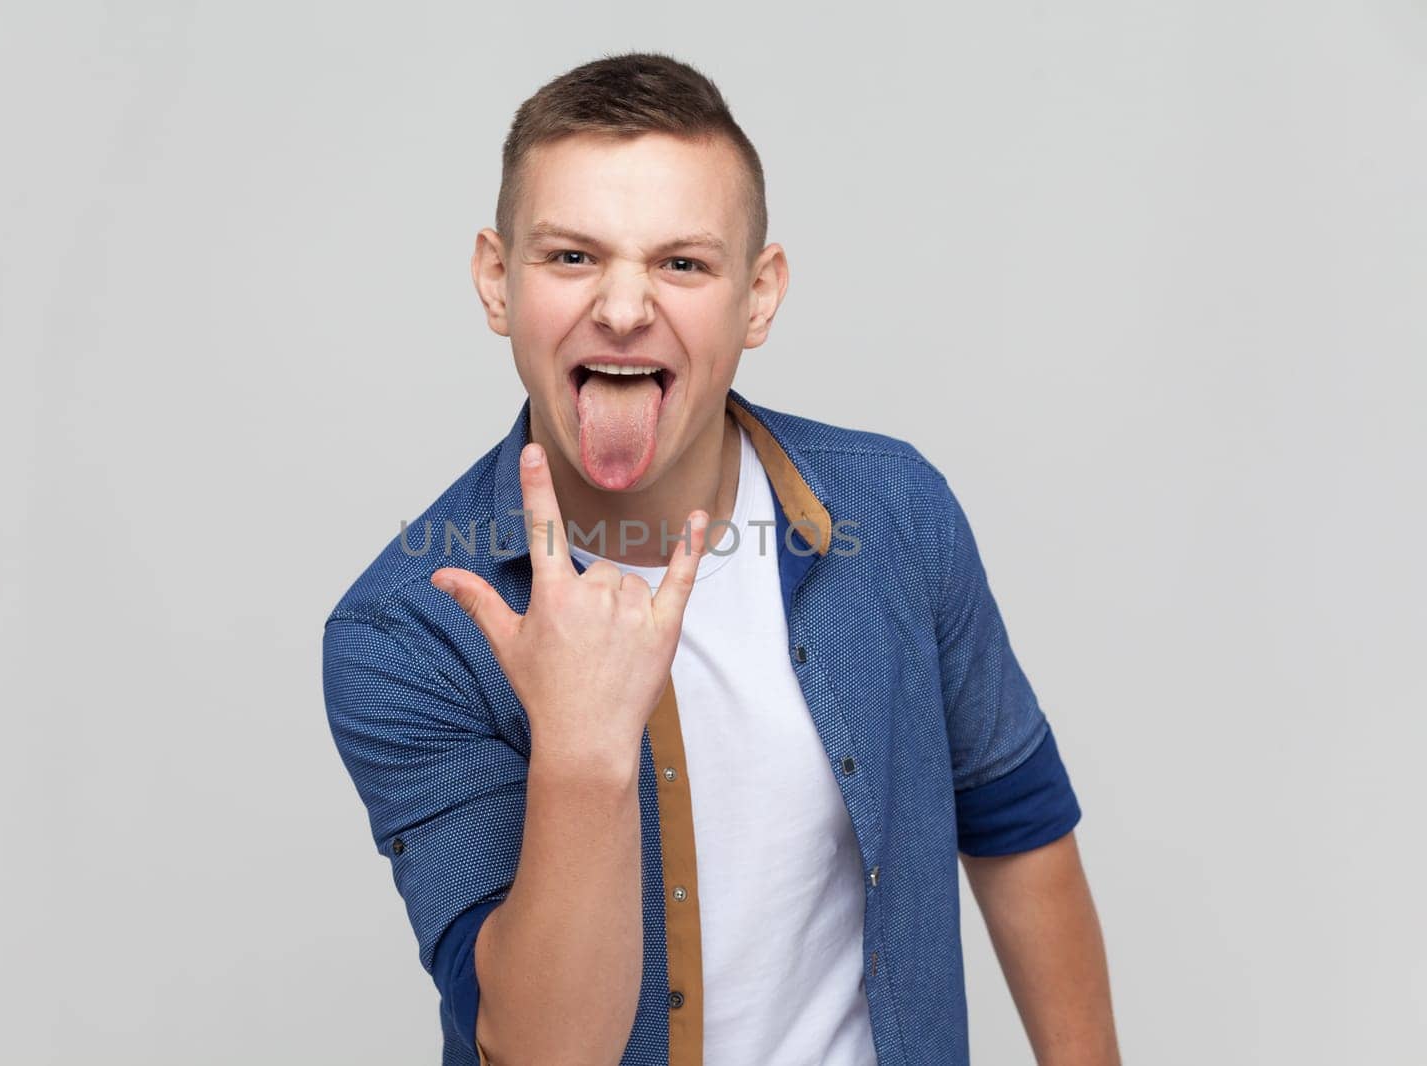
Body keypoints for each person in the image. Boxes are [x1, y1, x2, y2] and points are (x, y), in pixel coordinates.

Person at [322, 51, 1120, 1066]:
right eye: (571, 256)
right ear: (496, 279)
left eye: (681, 263)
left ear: (758, 294)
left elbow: (1015, 816)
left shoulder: (897, 512)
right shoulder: (408, 629)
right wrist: (580, 746)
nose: (620, 307)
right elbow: (539, 1049)